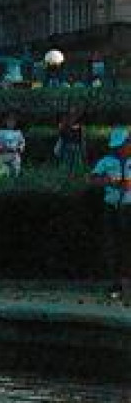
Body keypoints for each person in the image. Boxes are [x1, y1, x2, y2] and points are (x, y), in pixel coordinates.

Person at [87, 127, 131, 299]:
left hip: (128, 207)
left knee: (127, 244)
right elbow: (92, 178)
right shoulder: (106, 161)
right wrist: (106, 180)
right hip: (111, 207)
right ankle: (116, 283)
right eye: (118, 146)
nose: (121, 149)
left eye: (124, 144)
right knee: (112, 244)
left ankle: (126, 282)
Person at [56, 106, 86, 170]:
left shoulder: (79, 121)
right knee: (67, 162)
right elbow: (61, 133)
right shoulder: (64, 120)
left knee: (75, 163)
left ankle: (74, 172)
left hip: (74, 144)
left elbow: (81, 135)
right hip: (67, 144)